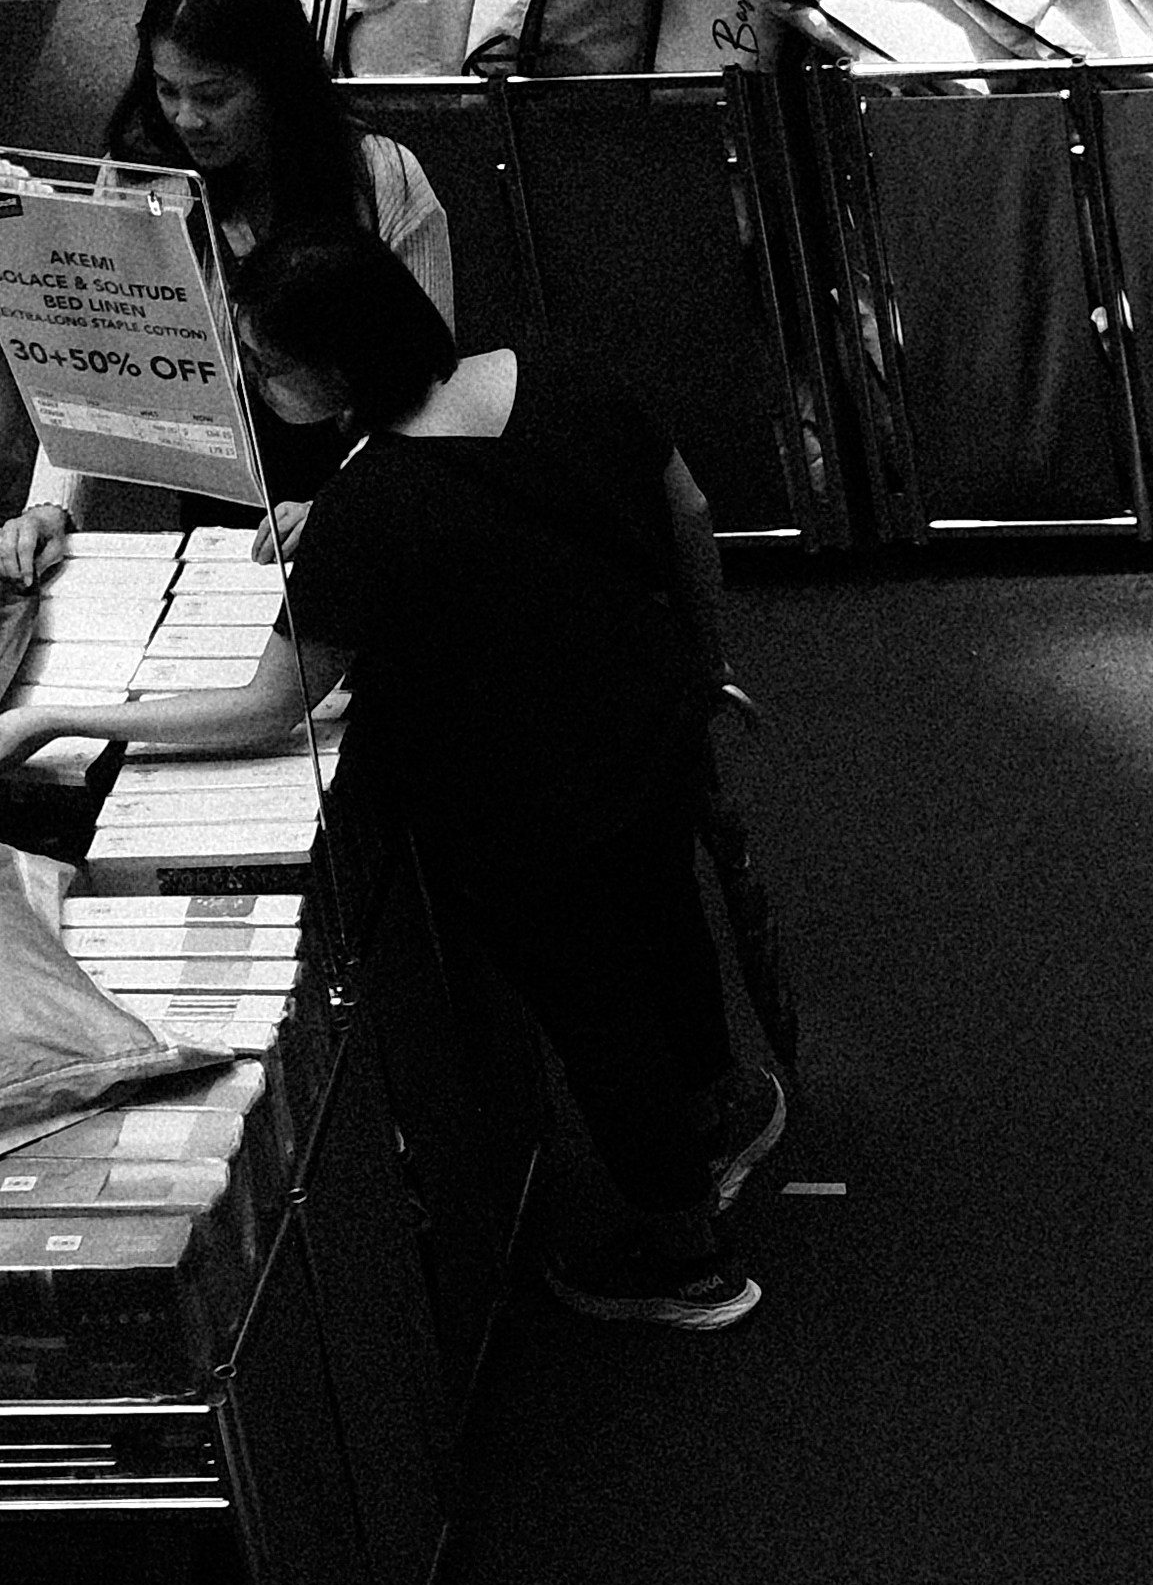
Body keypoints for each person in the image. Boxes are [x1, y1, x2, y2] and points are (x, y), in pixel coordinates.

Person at [0, 234, 776, 1332]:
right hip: (650, 729)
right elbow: (686, 511)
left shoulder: (373, 507)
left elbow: (268, 706)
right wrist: (704, 667)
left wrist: (58, 717)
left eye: (269, 363)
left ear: (343, 362)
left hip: (527, 811)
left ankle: (686, 1254)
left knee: (597, 1017)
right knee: (667, 927)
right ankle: (720, 1110)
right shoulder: (555, 373)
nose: (256, 383)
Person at [0, 0, 452, 571]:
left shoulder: (380, 177)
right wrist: (51, 506)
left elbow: (432, 389)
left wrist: (351, 503)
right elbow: (103, 363)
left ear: (276, 81)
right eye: (167, 90)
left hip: (364, 496)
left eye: (213, 95)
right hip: (224, 521)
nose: (186, 118)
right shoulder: (135, 179)